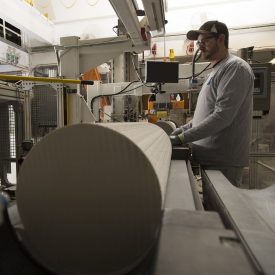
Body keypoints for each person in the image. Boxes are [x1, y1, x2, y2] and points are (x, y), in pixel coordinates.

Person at [170, 20, 254, 187]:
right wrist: (182, 130)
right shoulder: (215, 71)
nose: (200, 46)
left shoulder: (235, 68)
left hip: (224, 161)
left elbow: (222, 116)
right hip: (211, 158)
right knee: (212, 210)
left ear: (221, 39)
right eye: (198, 42)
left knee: (223, 212)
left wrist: (182, 138)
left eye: (205, 41)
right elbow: (206, 116)